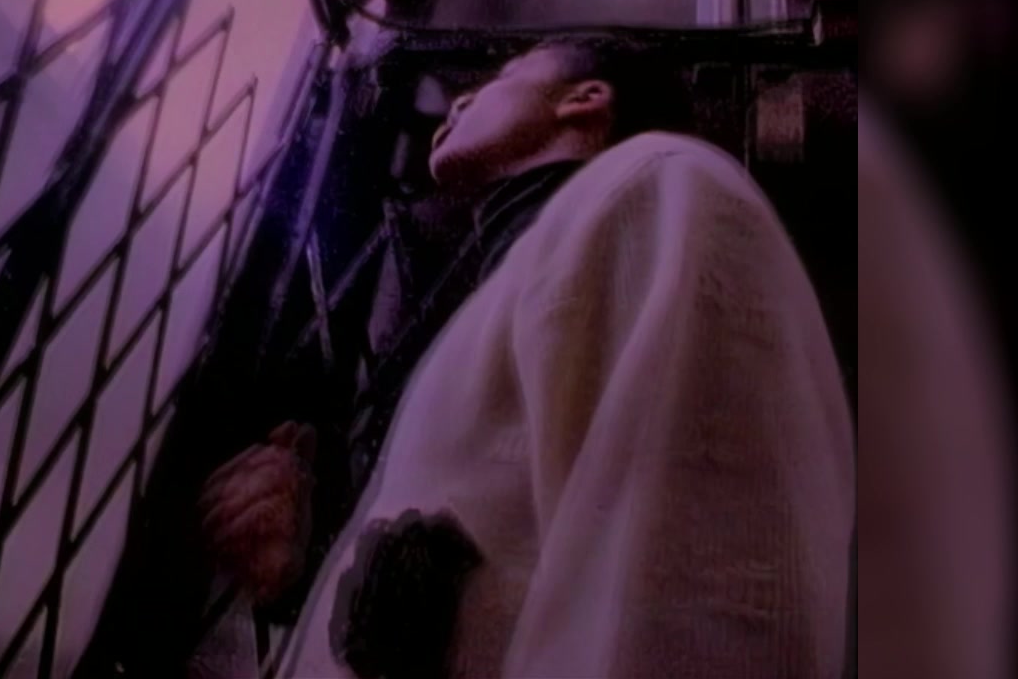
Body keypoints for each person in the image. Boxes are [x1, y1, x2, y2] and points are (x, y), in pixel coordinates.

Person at [198, 39, 854, 677]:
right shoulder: (524, 278)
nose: (459, 102)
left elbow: (697, 589)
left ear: (584, 99)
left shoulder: (653, 183)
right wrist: (311, 571)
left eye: (507, 75)